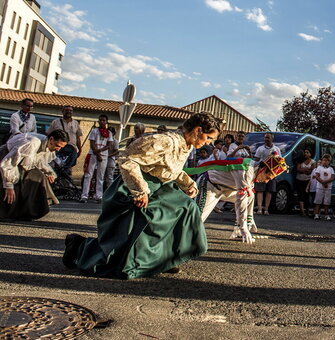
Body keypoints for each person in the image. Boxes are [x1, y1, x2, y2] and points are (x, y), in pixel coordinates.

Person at [62, 112, 222, 279]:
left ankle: (165, 259)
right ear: (198, 130)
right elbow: (127, 158)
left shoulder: (185, 145)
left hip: (160, 188)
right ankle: (79, 246)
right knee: (147, 222)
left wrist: (187, 183)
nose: (208, 143)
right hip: (134, 186)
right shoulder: (165, 141)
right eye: (208, 138)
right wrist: (140, 191)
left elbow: (169, 167)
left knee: (187, 209)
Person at [1, 130, 69, 220]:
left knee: (39, 177)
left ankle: (28, 211)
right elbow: (8, 163)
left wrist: (48, 173)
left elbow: (39, 161)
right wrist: (8, 185)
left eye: (61, 147)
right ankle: (8, 212)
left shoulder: (47, 145)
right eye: (57, 146)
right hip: (6, 158)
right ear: (51, 139)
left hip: (21, 164)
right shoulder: (32, 143)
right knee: (12, 187)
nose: (58, 149)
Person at [80, 115, 115, 203]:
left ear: (106, 122)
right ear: (98, 121)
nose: (102, 122)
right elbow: (92, 143)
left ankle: (98, 196)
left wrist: (100, 151)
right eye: (100, 120)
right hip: (93, 154)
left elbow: (109, 145)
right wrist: (97, 153)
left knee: (100, 176)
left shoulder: (109, 133)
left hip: (103, 155)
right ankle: (84, 195)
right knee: (88, 175)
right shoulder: (94, 131)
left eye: (104, 120)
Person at [254, 132, 281, 215]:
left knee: (269, 190)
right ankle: (259, 208)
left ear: (272, 139)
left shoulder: (276, 149)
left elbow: (280, 160)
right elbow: (256, 159)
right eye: (265, 137)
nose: (266, 139)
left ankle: (266, 209)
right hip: (261, 172)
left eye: (268, 137)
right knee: (260, 190)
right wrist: (260, 163)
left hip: (271, 173)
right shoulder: (260, 148)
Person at [312, 154, 335, 220]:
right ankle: (316, 214)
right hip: (320, 186)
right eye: (324, 160)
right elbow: (317, 176)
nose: (325, 162)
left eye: (327, 160)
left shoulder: (331, 169)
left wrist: (326, 182)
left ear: (329, 162)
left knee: (326, 201)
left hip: (328, 187)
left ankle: (326, 214)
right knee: (318, 201)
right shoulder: (319, 168)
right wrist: (322, 182)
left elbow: (332, 177)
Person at [295, 149, 315, 217]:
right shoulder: (300, 161)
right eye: (305, 152)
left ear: (310, 154)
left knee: (307, 196)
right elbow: (298, 169)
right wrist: (306, 170)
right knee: (300, 195)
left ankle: (307, 210)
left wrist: (303, 170)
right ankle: (302, 211)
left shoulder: (313, 162)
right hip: (299, 180)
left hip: (308, 181)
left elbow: (311, 171)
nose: (305, 153)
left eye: (307, 152)